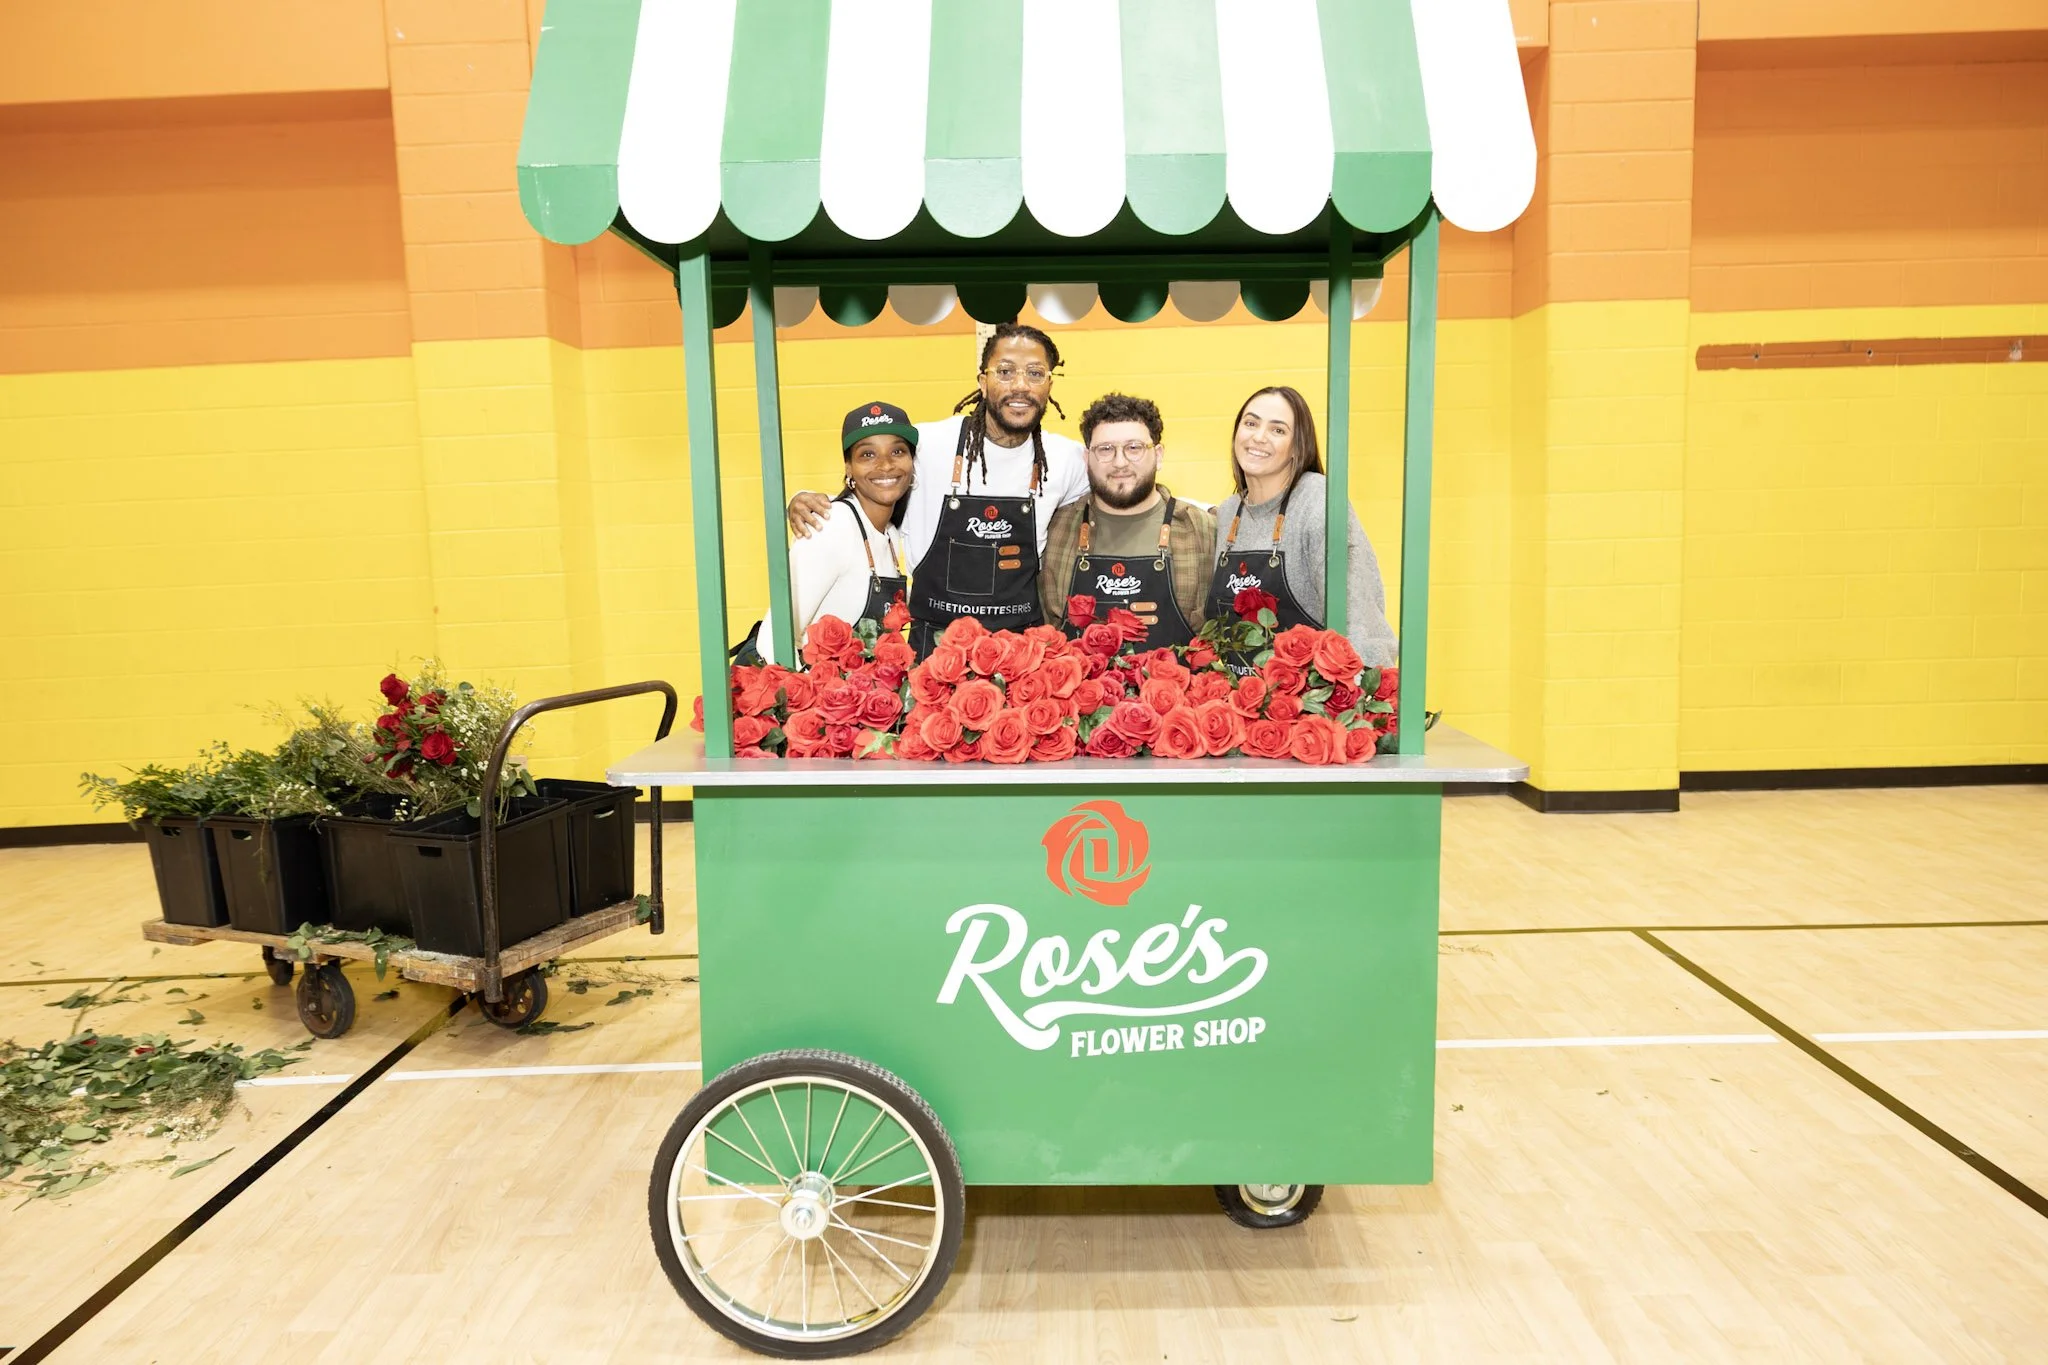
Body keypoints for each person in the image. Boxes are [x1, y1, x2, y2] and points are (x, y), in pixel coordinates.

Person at [788, 322, 1089, 656]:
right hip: (934, 655)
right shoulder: (928, 444)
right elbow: (873, 477)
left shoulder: (1068, 458)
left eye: (1035, 373)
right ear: (983, 382)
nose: (1020, 385)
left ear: (1049, 383)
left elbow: (1119, 491)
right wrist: (806, 499)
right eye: (1005, 372)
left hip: (1022, 655)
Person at [1207, 385, 1397, 670]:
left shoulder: (1319, 503)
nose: (1258, 437)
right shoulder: (1227, 513)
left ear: (1298, 447)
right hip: (1238, 703)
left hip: (1308, 706)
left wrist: (1361, 700)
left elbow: (1358, 619)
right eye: (1251, 423)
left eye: (1278, 430)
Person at [1040, 392, 1215, 649]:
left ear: (1158, 455)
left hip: (1177, 687)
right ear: (1087, 459)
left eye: (1134, 448)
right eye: (1106, 449)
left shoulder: (1203, 531)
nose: (1120, 462)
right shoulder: (1055, 530)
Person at [748, 401, 917, 666]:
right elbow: (773, 639)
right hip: (810, 700)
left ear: (912, 462)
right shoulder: (832, 525)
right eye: (868, 455)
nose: (885, 465)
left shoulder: (891, 535)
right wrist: (805, 699)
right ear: (849, 467)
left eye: (897, 451)